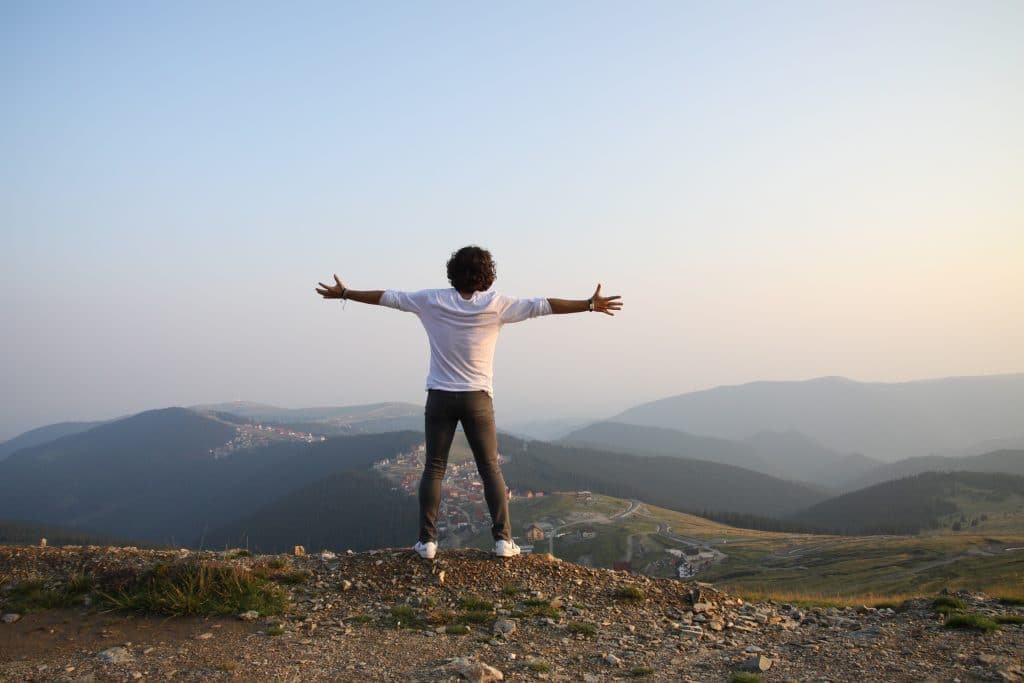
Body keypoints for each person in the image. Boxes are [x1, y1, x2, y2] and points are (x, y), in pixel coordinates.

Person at [315, 245, 622, 559]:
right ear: (487, 275)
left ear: (452, 271)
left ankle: (427, 543)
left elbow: (387, 297)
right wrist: (588, 304)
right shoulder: (497, 304)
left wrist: (346, 293)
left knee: (434, 468)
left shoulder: (430, 300)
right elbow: (543, 305)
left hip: (439, 398)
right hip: (478, 399)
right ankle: (503, 542)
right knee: (490, 469)